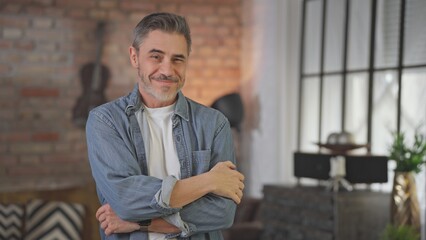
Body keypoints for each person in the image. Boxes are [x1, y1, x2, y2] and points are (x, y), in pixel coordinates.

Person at [86, 12, 245, 240]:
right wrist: (209, 181)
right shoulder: (105, 121)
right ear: (134, 56)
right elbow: (126, 201)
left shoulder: (214, 123)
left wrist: (139, 224)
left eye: (178, 59)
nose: (168, 70)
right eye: (156, 56)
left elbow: (222, 213)